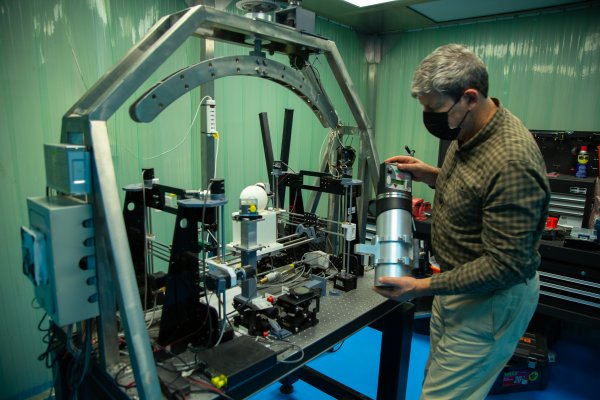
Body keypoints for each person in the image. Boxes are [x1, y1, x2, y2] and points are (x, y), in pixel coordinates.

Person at [374, 44, 551, 399]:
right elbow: (476, 189)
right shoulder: (469, 129)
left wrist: (420, 287)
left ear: (469, 97)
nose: (429, 117)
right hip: (457, 287)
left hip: (489, 300)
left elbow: (506, 266)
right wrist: (431, 175)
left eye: (434, 109)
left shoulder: (512, 160)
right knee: (437, 382)